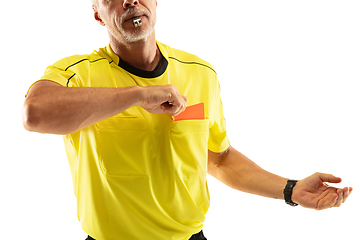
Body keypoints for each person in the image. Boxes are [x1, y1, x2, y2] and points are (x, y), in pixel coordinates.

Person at [22, 0, 353, 239]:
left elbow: (219, 158)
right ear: (97, 14)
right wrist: (137, 95)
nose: (129, 2)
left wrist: (290, 189)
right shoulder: (78, 73)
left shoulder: (200, 73)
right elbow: (34, 113)